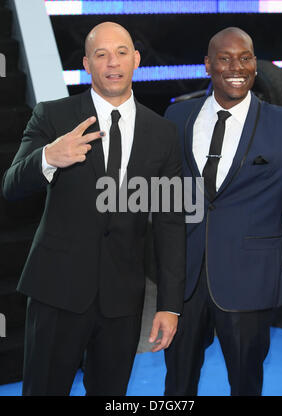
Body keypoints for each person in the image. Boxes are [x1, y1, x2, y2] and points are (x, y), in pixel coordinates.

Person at [2, 22, 185, 396]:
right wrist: (47, 158)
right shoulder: (52, 116)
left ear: (136, 59)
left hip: (123, 298)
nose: (112, 62)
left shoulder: (163, 133)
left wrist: (170, 305)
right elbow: (11, 186)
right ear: (87, 63)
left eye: (120, 52)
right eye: (100, 54)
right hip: (57, 291)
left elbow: (171, 221)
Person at [164, 27, 282, 396]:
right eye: (225, 58)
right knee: (177, 383)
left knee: (245, 383)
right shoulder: (177, 118)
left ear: (255, 63)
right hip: (186, 284)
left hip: (248, 283)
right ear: (208, 65)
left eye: (245, 57)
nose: (236, 66)